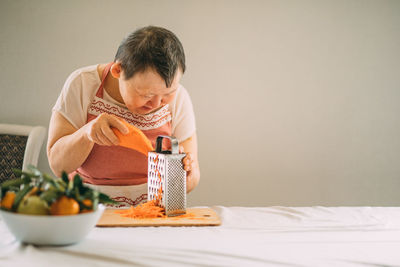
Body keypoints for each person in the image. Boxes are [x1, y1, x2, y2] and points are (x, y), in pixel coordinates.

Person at [47, 26, 200, 208]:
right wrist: (87, 133)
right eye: (146, 94)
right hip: (88, 206)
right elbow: (58, 167)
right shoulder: (82, 84)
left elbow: (193, 175)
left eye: (168, 93)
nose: (157, 103)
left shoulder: (180, 98)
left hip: (152, 209)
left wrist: (184, 175)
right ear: (118, 70)